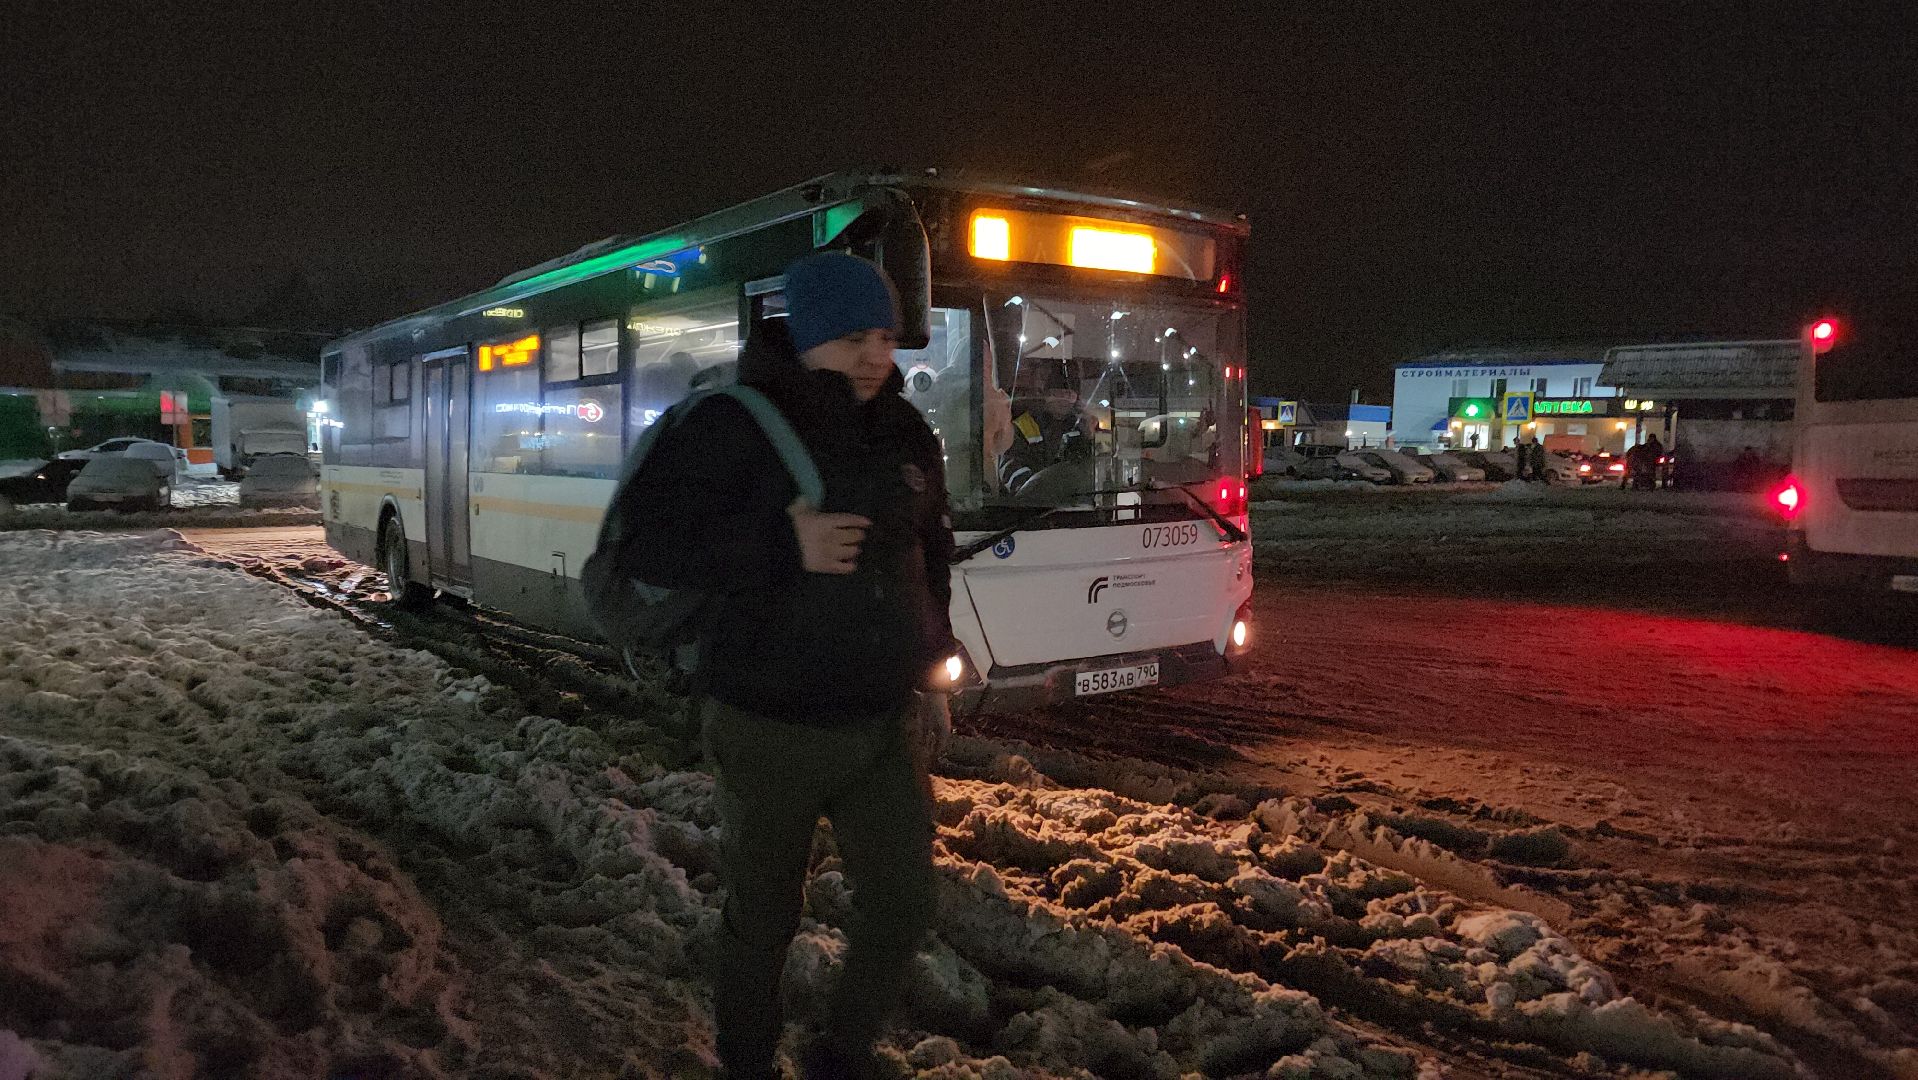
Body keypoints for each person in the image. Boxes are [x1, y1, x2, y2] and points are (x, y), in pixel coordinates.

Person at [610, 253, 955, 1080]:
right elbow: (649, 547)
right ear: (803, 336)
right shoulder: (730, 423)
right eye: (853, 337)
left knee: (905, 907)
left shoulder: (904, 430)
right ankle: (748, 1061)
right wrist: (779, 542)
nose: (879, 354)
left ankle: (838, 1058)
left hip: (879, 725)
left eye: (885, 334)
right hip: (766, 724)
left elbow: (926, 553)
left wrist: (934, 661)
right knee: (765, 921)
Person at [997, 360, 1095, 495]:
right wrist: (1033, 492)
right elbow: (1009, 467)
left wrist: (1090, 437)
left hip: (1074, 505)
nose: (1063, 400)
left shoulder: (1080, 428)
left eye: (1069, 395)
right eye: (1057, 393)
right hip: (1031, 509)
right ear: (1046, 395)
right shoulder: (1024, 425)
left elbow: (1092, 469)